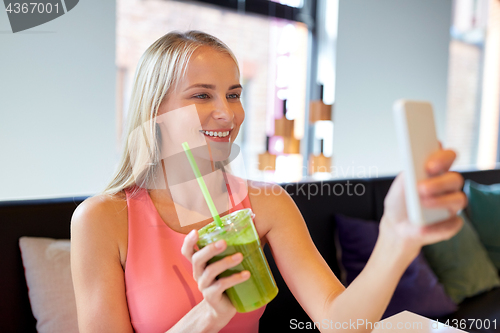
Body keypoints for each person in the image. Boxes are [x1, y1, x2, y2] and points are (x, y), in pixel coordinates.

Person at [70, 30, 466, 333]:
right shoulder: (101, 220)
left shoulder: (265, 203)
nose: (227, 114)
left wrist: (396, 240)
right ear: (156, 111)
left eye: (233, 94)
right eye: (202, 96)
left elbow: (339, 322)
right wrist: (209, 313)